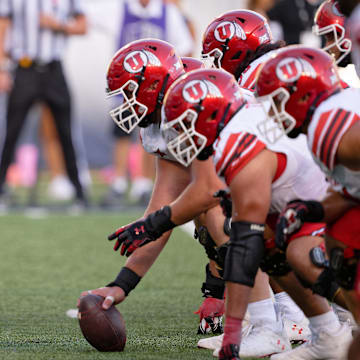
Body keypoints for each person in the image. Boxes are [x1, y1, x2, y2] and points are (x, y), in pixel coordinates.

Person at [256, 45, 360, 358]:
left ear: (302, 97)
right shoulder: (325, 121)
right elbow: (350, 190)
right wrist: (310, 210)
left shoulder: (329, 128)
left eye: (277, 102)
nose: (272, 113)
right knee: (336, 240)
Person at [101, 0, 194, 207]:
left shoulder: (167, 12)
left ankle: (142, 182)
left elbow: (186, 48)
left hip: (155, 87)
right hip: (128, 86)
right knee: (122, 131)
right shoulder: (120, 8)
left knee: (149, 132)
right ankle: (118, 180)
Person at [0, 0, 88, 208]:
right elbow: (3, 24)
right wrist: (2, 66)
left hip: (54, 68)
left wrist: (59, 25)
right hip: (24, 67)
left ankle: (78, 190)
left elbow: (83, 26)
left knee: (66, 131)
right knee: (12, 131)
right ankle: (1, 187)